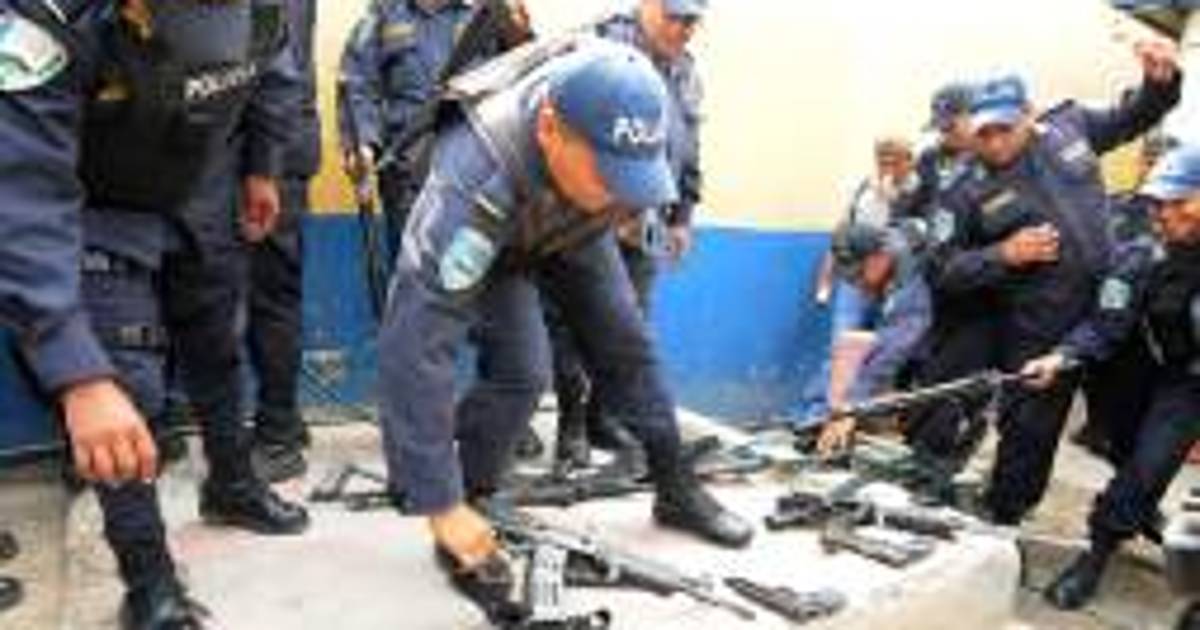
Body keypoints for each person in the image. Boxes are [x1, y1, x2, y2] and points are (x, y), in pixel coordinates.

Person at [374, 37, 754, 615]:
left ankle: (675, 486)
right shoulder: (472, 180)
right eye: (610, 173)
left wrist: (641, 206)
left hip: (568, 218)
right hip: (497, 232)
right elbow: (415, 343)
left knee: (626, 341)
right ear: (551, 128)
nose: (624, 194)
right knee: (522, 374)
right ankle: (465, 506)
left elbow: (633, 187)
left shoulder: (634, 121)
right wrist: (438, 501)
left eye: (632, 175)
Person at [0, 1, 309, 626]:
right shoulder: (51, 16)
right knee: (123, 392)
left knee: (219, 346)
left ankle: (231, 486)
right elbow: (22, 187)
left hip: (203, 180)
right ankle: (150, 583)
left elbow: (274, 67)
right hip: (98, 203)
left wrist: (262, 168)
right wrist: (77, 371)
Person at [929, 41, 1182, 525]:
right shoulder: (963, 190)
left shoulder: (1071, 127)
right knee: (1029, 433)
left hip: (1114, 307)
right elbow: (941, 270)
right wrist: (1001, 255)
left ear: (1029, 114)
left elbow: (1134, 117)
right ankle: (1006, 515)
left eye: (1005, 128)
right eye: (985, 133)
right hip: (1038, 326)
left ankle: (1135, 503)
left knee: (1129, 417)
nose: (996, 143)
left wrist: (1159, 84)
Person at [1020, 142, 1200, 609]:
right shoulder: (1145, 250)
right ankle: (1128, 518)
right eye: (1159, 201)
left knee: (1149, 464)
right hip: (1134, 369)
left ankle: (1098, 551)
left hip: (1189, 383)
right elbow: (1107, 322)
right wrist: (1062, 357)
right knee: (1127, 455)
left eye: (1178, 201)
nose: (1163, 213)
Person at [548, 0, 707, 468]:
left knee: (630, 324)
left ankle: (603, 418)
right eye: (676, 17)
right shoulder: (601, 46)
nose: (685, 29)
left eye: (693, 21)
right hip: (591, 212)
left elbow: (688, 146)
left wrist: (683, 215)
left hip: (650, 214)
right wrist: (609, 212)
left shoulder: (685, 69)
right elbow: (569, 131)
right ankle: (571, 427)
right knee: (576, 321)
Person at [246, 0, 322, 483]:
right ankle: (283, 421)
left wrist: (264, 167)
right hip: (259, 147)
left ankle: (278, 434)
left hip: (272, 153)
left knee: (270, 297)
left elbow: (277, 68)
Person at [814, 220, 936, 455]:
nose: (857, 285)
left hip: (959, 325)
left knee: (924, 382)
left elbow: (889, 354)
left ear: (879, 259)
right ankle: (814, 418)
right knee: (843, 351)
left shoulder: (909, 285)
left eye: (859, 275)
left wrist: (850, 408)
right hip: (905, 305)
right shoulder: (877, 253)